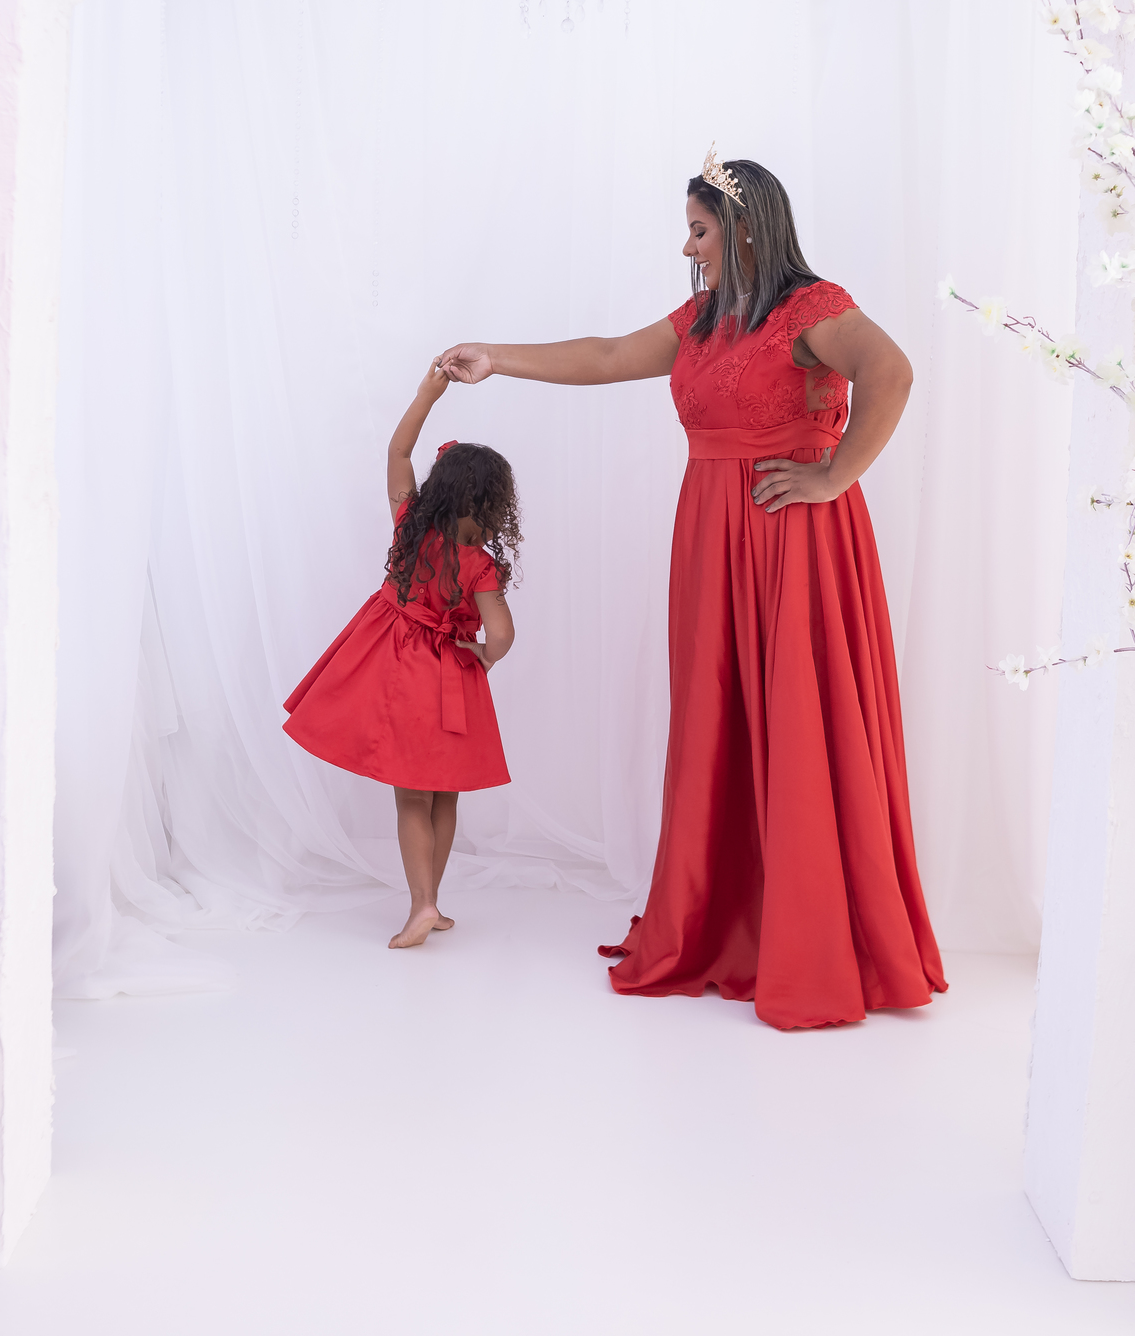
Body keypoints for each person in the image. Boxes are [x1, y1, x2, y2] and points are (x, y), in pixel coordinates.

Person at [438, 152, 946, 1030]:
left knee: (795, 721)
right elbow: (604, 355)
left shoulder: (812, 308)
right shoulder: (706, 318)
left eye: (700, 230)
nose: (688, 245)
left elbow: (891, 372)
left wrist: (834, 477)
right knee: (720, 721)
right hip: (712, 540)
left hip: (794, 542)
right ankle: (733, 919)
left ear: (746, 229)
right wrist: (498, 358)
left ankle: (819, 936)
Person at [283, 362, 521, 949]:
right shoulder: (480, 565)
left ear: (440, 487)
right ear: (493, 504)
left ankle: (423, 905)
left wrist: (428, 393)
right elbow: (503, 632)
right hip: (450, 676)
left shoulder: (410, 524)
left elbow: (398, 448)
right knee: (444, 793)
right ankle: (431, 902)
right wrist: (482, 656)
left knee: (410, 795)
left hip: (398, 666)